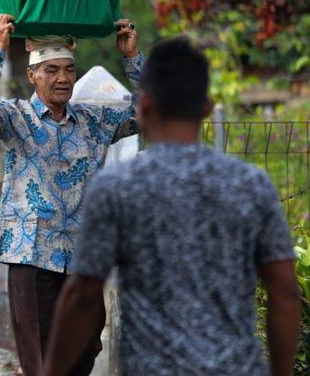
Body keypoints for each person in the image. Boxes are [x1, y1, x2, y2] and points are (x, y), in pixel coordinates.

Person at [43, 38, 301, 376]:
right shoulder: (250, 185)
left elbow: (82, 295)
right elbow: (284, 290)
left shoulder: (117, 187)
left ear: (144, 105)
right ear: (206, 107)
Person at [0, 14, 142, 376]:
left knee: (88, 344)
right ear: (32, 75)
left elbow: (149, 113)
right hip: (31, 255)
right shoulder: (16, 119)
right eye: (51, 70)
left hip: (83, 257)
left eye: (68, 70)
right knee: (42, 360)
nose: (62, 78)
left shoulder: (95, 121)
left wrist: (131, 59)